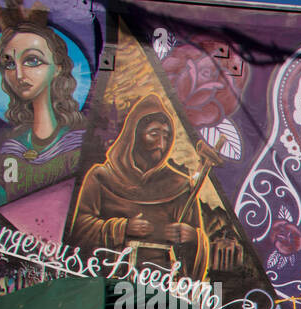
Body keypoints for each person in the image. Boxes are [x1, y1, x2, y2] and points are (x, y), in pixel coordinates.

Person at [69, 93, 209, 278]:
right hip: (110, 279)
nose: (161, 143)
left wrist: (191, 236)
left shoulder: (180, 186)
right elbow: (80, 230)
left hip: (159, 286)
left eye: (166, 136)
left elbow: (197, 240)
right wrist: (122, 228)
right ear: (133, 135)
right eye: (154, 134)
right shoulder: (101, 177)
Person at [0, 1, 85, 206]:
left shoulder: (78, 144)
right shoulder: (13, 147)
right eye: (10, 63)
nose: (19, 75)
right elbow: (5, 200)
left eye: (32, 60)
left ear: (57, 67)